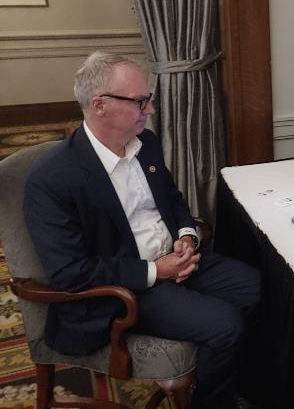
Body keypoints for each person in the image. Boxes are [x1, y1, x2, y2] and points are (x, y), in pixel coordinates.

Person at [24, 51, 260, 408]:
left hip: (178, 261)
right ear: (100, 105)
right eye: (140, 102)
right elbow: (70, 272)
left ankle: (241, 383)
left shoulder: (145, 144)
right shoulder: (53, 179)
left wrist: (186, 235)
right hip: (129, 288)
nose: (150, 110)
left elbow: (173, 200)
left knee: (263, 291)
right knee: (226, 325)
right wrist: (155, 271)